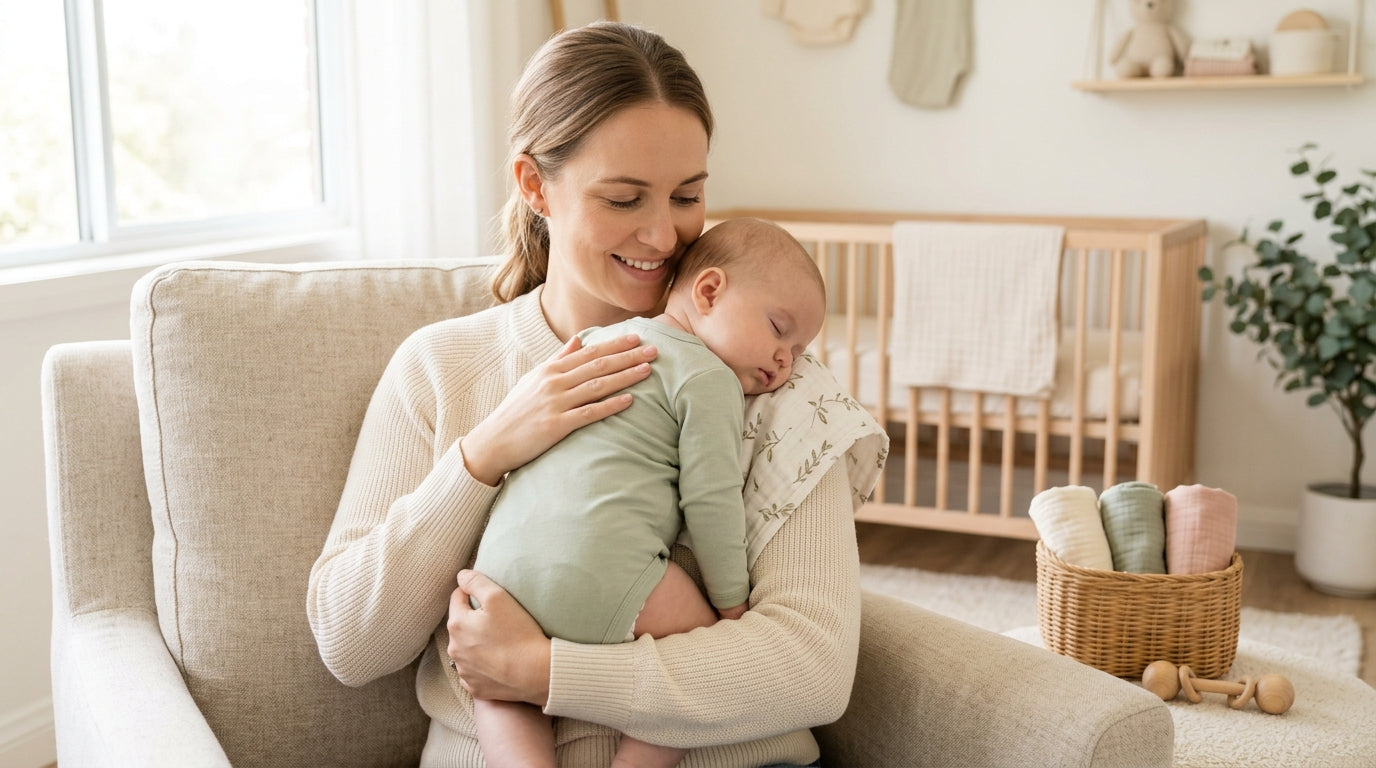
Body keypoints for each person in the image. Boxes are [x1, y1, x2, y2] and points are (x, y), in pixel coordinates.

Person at [307, 20, 886, 768]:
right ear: (534, 184)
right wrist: (482, 457)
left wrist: (538, 672)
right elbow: (350, 643)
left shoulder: (772, 380)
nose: (662, 235)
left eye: (686, 195)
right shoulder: (443, 368)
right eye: (622, 199)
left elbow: (812, 666)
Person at [471, 217, 827, 768]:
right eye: (780, 329)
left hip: (502, 569)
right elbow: (711, 502)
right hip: (603, 565)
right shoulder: (708, 377)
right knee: (699, 656)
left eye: (800, 350)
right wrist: (731, 601)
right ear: (709, 291)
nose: (787, 360)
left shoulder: (591, 342)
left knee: (497, 682)